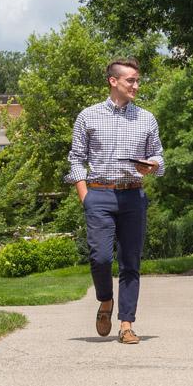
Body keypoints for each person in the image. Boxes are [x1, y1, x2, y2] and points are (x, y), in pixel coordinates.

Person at [65, 57, 164, 344]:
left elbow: (159, 156)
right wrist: (85, 195)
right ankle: (105, 301)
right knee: (101, 258)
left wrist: (153, 165)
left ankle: (126, 324)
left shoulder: (146, 118)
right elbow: (75, 160)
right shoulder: (88, 116)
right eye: (130, 80)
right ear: (113, 81)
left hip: (133, 194)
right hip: (99, 194)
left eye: (137, 80)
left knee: (130, 261)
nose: (136, 85)